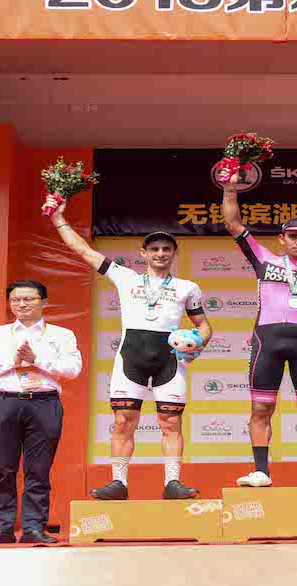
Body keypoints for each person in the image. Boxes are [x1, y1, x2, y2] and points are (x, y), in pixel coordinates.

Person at [44, 196, 212, 500]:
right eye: (154, 249)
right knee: (123, 421)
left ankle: (173, 483)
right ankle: (118, 483)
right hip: (130, 358)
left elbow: (203, 326)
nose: (160, 254)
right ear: (143, 253)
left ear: (174, 253)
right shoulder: (125, 277)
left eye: (166, 249)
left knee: (171, 422)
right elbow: (84, 251)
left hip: (169, 361)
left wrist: (197, 345)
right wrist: (58, 219)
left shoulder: (187, 287)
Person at [221, 172, 297, 487]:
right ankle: (261, 472)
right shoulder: (264, 259)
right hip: (267, 341)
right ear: (282, 239)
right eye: (293, 236)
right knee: (261, 406)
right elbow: (233, 224)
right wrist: (230, 188)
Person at [0, 280, 83, 544]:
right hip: (4, 402)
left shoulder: (62, 335)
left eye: (28, 299)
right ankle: (1, 528)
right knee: (2, 468)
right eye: (15, 300)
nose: (21, 304)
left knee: (38, 469)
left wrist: (36, 360)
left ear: (44, 302)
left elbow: (73, 369)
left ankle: (34, 527)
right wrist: (12, 361)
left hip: (44, 402)